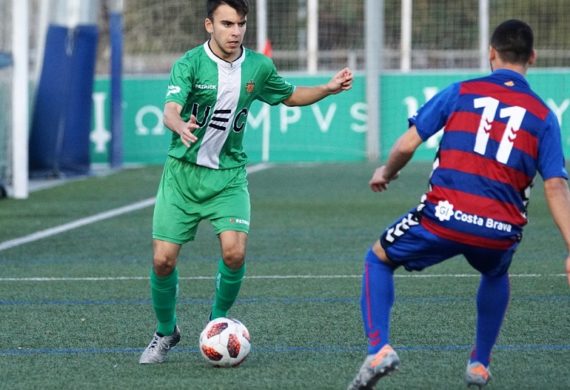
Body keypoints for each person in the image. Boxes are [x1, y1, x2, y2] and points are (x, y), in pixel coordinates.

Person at [347, 19, 570, 389]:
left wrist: (386, 172)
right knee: (496, 273)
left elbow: (405, 145)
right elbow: (556, 187)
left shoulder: (461, 91)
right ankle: (479, 365)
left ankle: (378, 348)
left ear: (491, 52)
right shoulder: (544, 116)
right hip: (499, 231)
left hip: (444, 218)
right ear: (533, 56)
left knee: (377, 258)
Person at [139, 0, 353, 364]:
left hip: (229, 177)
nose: (235, 31)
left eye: (241, 23)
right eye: (227, 24)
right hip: (182, 176)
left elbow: (289, 96)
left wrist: (328, 89)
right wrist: (177, 124)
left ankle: (217, 323)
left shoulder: (258, 65)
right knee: (162, 261)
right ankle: (165, 331)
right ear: (209, 25)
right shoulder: (189, 64)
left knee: (235, 253)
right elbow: (170, 110)